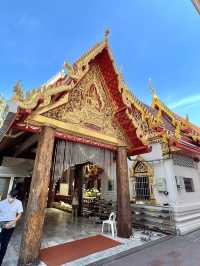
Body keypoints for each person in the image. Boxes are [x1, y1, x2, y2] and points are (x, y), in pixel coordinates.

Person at [0, 189, 23, 266]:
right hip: (1, 224)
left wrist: (12, 223)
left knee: (4, 244)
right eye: (9, 196)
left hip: (11, 226)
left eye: (12, 198)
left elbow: (20, 214)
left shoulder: (18, 203)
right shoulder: (2, 203)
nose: (10, 199)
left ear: (16, 197)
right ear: (8, 194)